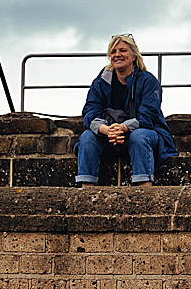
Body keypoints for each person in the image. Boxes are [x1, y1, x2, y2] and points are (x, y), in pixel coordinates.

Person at [74, 34, 178, 187]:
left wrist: (123, 127)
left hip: (143, 134)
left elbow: (148, 116)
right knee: (87, 137)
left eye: (123, 50)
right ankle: (87, 191)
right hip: (109, 136)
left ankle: (144, 190)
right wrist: (105, 129)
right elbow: (90, 111)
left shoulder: (148, 81)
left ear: (134, 56)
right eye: (113, 51)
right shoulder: (100, 82)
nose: (117, 55)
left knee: (139, 135)